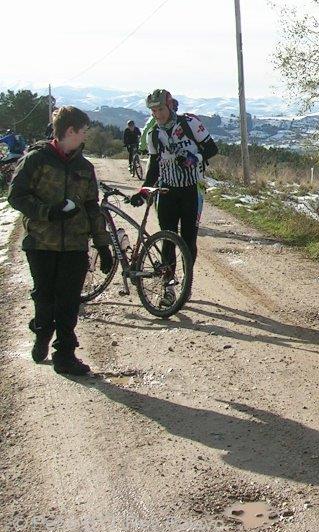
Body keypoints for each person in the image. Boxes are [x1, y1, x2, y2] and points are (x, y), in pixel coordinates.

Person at [7, 106, 113, 375]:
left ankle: (65, 355)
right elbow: (16, 196)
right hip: (41, 244)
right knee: (45, 298)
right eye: (83, 131)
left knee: (69, 301)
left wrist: (102, 244)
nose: (85, 135)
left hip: (75, 246)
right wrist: (48, 212)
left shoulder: (85, 167)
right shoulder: (36, 160)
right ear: (70, 131)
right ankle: (42, 332)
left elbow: (92, 207)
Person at [132, 89, 216, 300]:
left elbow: (212, 148)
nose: (157, 114)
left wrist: (195, 158)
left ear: (170, 106)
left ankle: (187, 282)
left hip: (192, 190)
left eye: (160, 109)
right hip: (167, 191)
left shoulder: (189, 124)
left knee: (188, 240)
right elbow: (153, 167)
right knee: (167, 239)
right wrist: (144, 190)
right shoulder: (153, 134)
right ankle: (168, 287)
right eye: (153, 111)